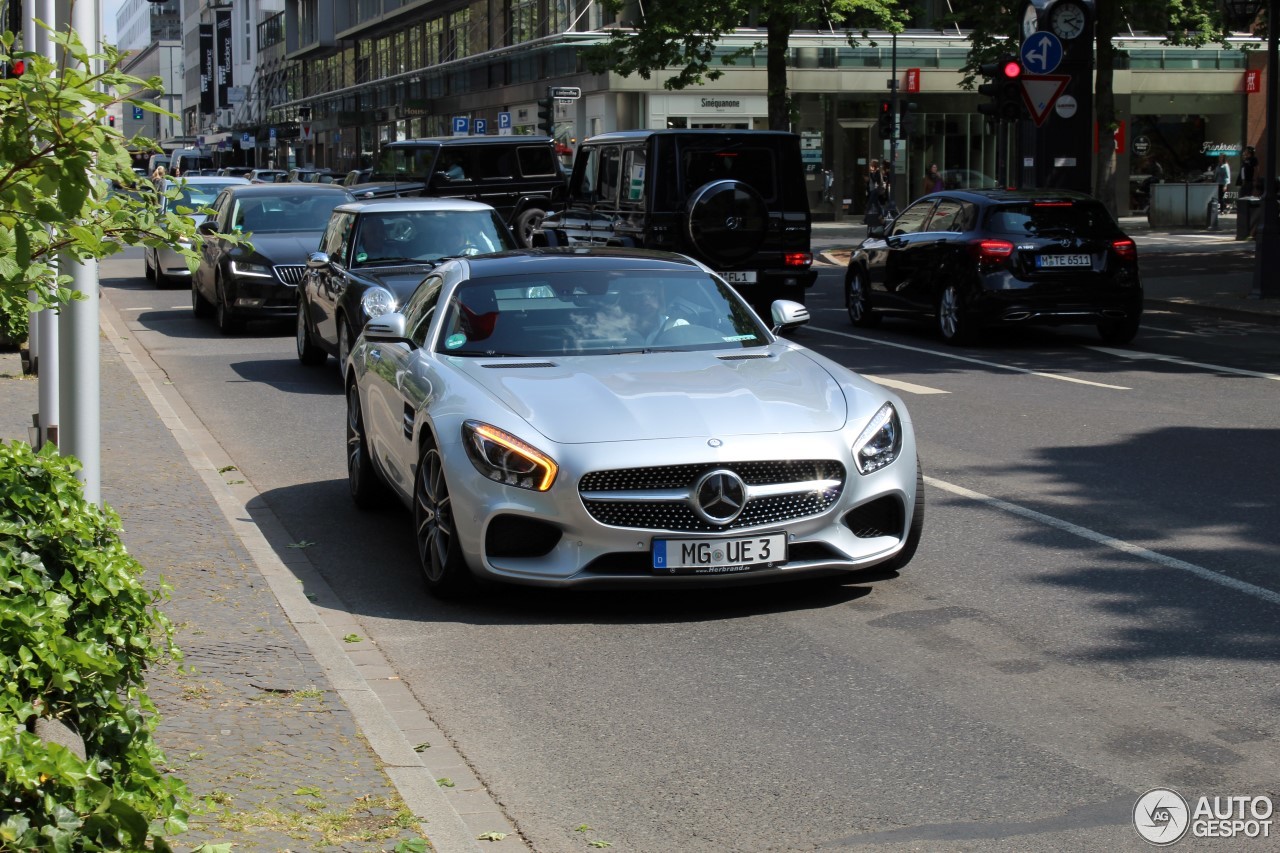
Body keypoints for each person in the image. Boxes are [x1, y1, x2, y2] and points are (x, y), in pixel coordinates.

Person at [864, 159, 886, 225]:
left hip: (875, 190)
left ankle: (865, 219)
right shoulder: (875, 171)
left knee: (869, 204)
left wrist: (871, 173)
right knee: (877, 205)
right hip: (873, 190)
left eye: (871, 163)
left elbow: (876, 181)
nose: (870, 164)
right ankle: (882, 216)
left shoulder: (877, 171)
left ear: (874, 164)